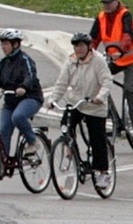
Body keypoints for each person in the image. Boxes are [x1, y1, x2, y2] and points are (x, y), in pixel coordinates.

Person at [47, 33, 113, 187]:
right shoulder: (71, 62)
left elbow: (106, 81)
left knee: (97, 138)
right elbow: (62, 84)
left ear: (89, 46)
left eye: (82, 45)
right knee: (65, 124)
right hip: (76, 102)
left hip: (94, 105)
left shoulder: (98, 61)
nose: (79, 49)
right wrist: (53, 100)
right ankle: (70, 148)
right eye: (76, 46)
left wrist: (100, 97)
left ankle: (103, 172)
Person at [0, 29, 44, 157]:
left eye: (6, 44)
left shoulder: (25, 60)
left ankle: (33, 141)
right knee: (4, 130)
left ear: (16, 44)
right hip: (10, 101)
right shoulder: (3, 63)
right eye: (2, 44)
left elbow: (30, 76)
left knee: (18, 116)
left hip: (30, 98)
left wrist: (23, 87)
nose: (3, 47)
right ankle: (3, 164)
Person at [90, 0, 133, 142]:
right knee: (99, 83)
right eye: (104, 3)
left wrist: (121, 49)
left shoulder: (125, 15)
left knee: (128, 88)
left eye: (109, 3)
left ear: (116, 2)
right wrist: (88, 54)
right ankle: (116, 122)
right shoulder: (101, 17)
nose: (106, 6)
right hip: (115, 60)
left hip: (132, 58)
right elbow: (93, 39)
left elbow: (129, 34)